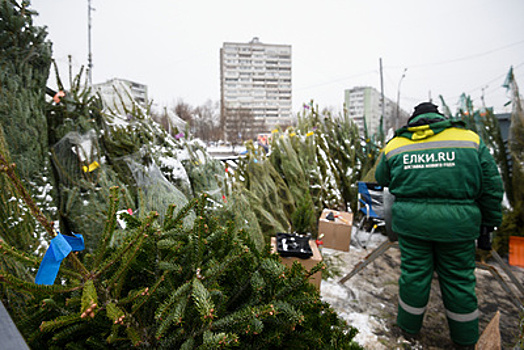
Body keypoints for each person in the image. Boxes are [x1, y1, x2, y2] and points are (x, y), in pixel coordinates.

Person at [375, 102, 503, 347]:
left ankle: (408, 330)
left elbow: (382, 178)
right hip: (458, 226)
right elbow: (491, 186)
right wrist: (488, 224)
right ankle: (465, 340)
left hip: (413, 226)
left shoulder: (396, 145)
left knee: (413, 276)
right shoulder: (469, 140)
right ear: (440, 117)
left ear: (412, 120)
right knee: (459, 279)